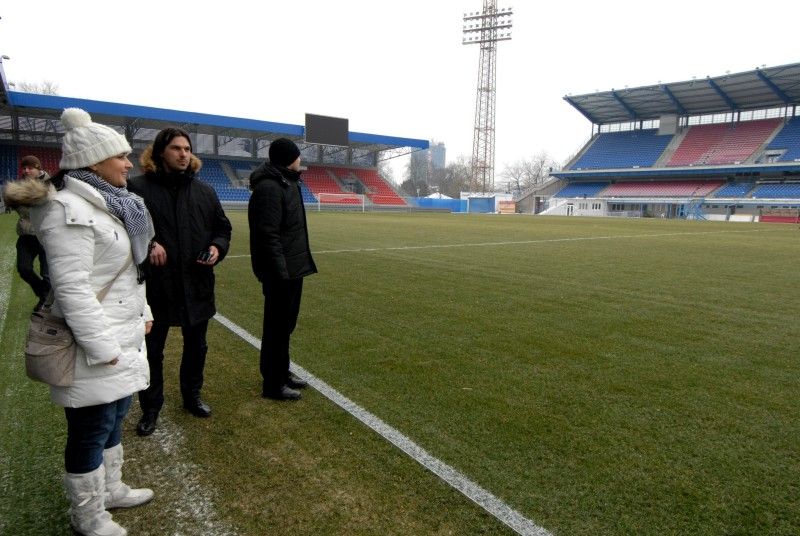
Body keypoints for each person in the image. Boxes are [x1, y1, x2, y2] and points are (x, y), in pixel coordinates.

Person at [4, 108, 155, 536]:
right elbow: (72, 290)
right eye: (121, 156)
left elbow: (124, 271)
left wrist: (143, 313)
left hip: (122, 334)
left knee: (114, 416)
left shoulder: (111, 204)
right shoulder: (66, 209)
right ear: (93, 162)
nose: (129, 163)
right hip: (93, 343)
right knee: (90, 430)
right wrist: (103, 347)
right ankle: (88, 518)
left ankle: (112, 489)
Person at [128, 127, 232, 436]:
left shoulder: (205, 192)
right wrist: (148, 244)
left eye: (187, 148)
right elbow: (123, 232)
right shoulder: (137, 189)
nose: (184, 153)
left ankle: (192, 397)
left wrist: (216, 247)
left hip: (197, 285)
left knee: (196, 346)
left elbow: (222, 229)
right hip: (155, 288)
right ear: (161, 152)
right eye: (176, 148)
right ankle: (150, 409)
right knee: (152, 351)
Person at [248, 138, 317, 400]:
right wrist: (279, 272)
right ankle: (272, 383)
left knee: (285, 326)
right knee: (276, 328)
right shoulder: (270, 188)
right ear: (289, 158)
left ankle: (282, 372)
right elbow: (268, 235)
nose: (300, 159)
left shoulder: (288, 182)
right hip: (280, 272)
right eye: (297, 155)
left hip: (292, 269)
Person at [2, 155, 52, 311]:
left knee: (48, 274)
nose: (25, 171)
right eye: (23, 168)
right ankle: (44, 294)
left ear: (38, 168)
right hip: (26, 233)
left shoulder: (52, 184)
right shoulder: (18, 186)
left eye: (29, 168)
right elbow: (19, 207)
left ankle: (47, 302)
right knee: (24, 269)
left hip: (46, 235)